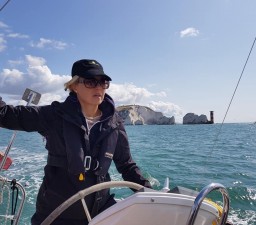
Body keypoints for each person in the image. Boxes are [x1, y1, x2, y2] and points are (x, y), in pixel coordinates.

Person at [0, 59, 152, 225]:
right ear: (74, 86)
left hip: (100, 213)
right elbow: (4, 114)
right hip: (57, 214)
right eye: (90, 81)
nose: (99, 87)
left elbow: (126, 166)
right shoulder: (53, 116)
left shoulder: (115, 123)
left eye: (103, 82)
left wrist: (151, 193)